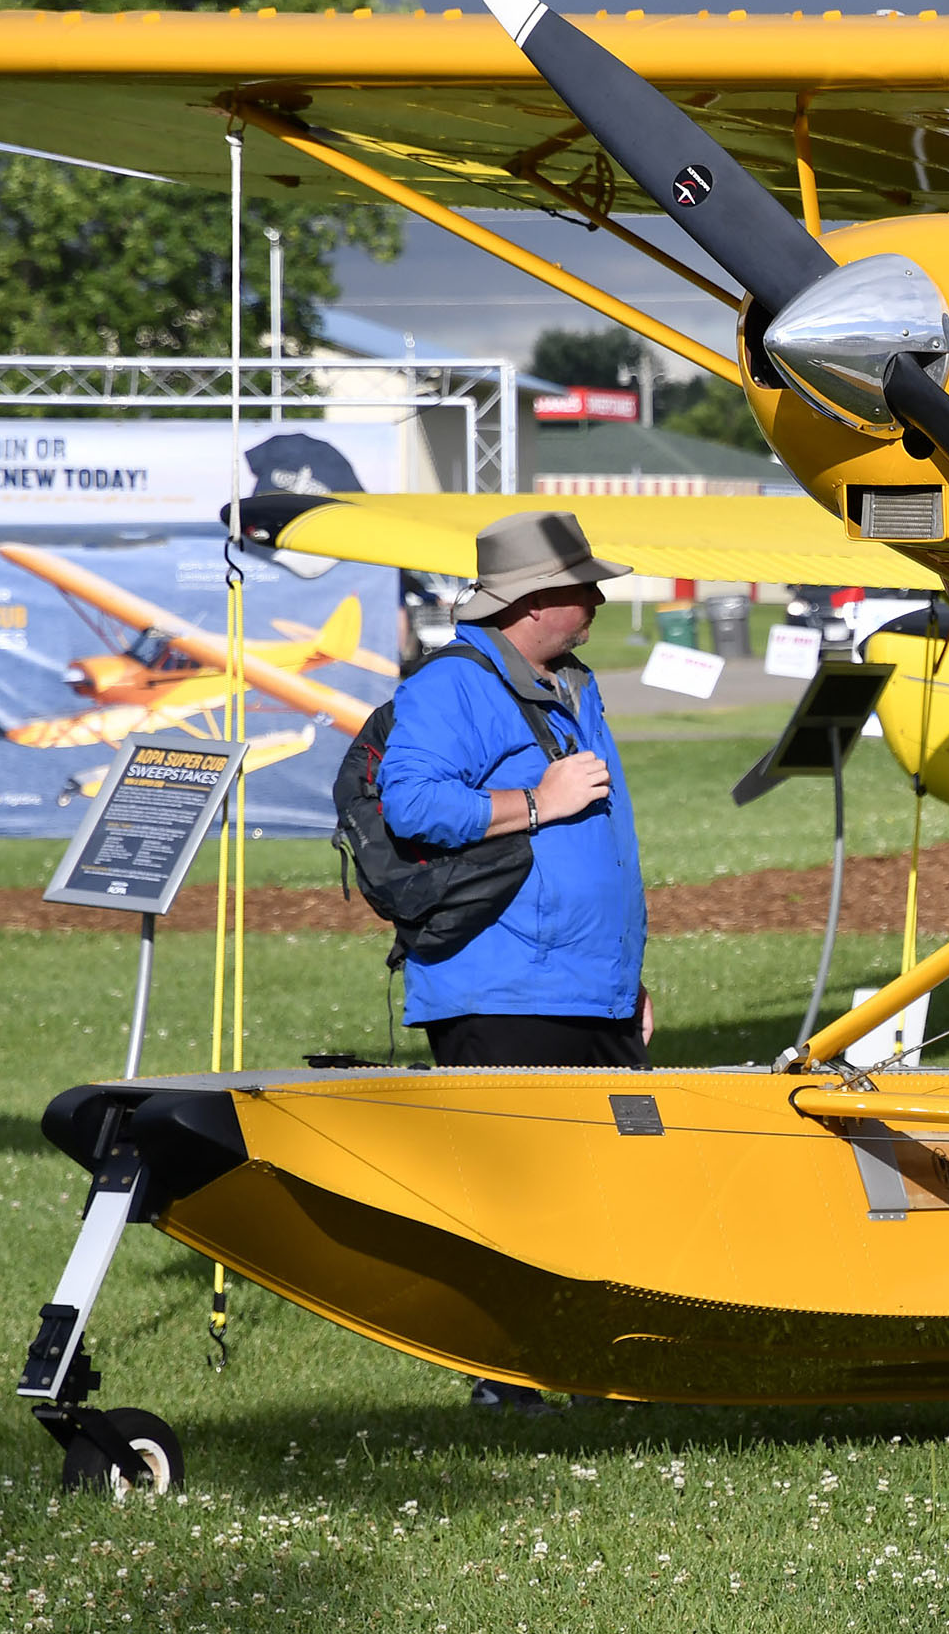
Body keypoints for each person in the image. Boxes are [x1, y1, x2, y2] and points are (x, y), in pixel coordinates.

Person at [379, 511, 650, 1413]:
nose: (599, 599)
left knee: (606, 1193)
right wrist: (533, 799)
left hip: (588, 986)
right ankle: (506, 1376)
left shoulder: (573, 683)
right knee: (514, 1194)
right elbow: (411, 802)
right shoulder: (449, 686)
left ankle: (591, 1368)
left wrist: (625, 975)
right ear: (534, 601)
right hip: (502, 986)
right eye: (583, 587)